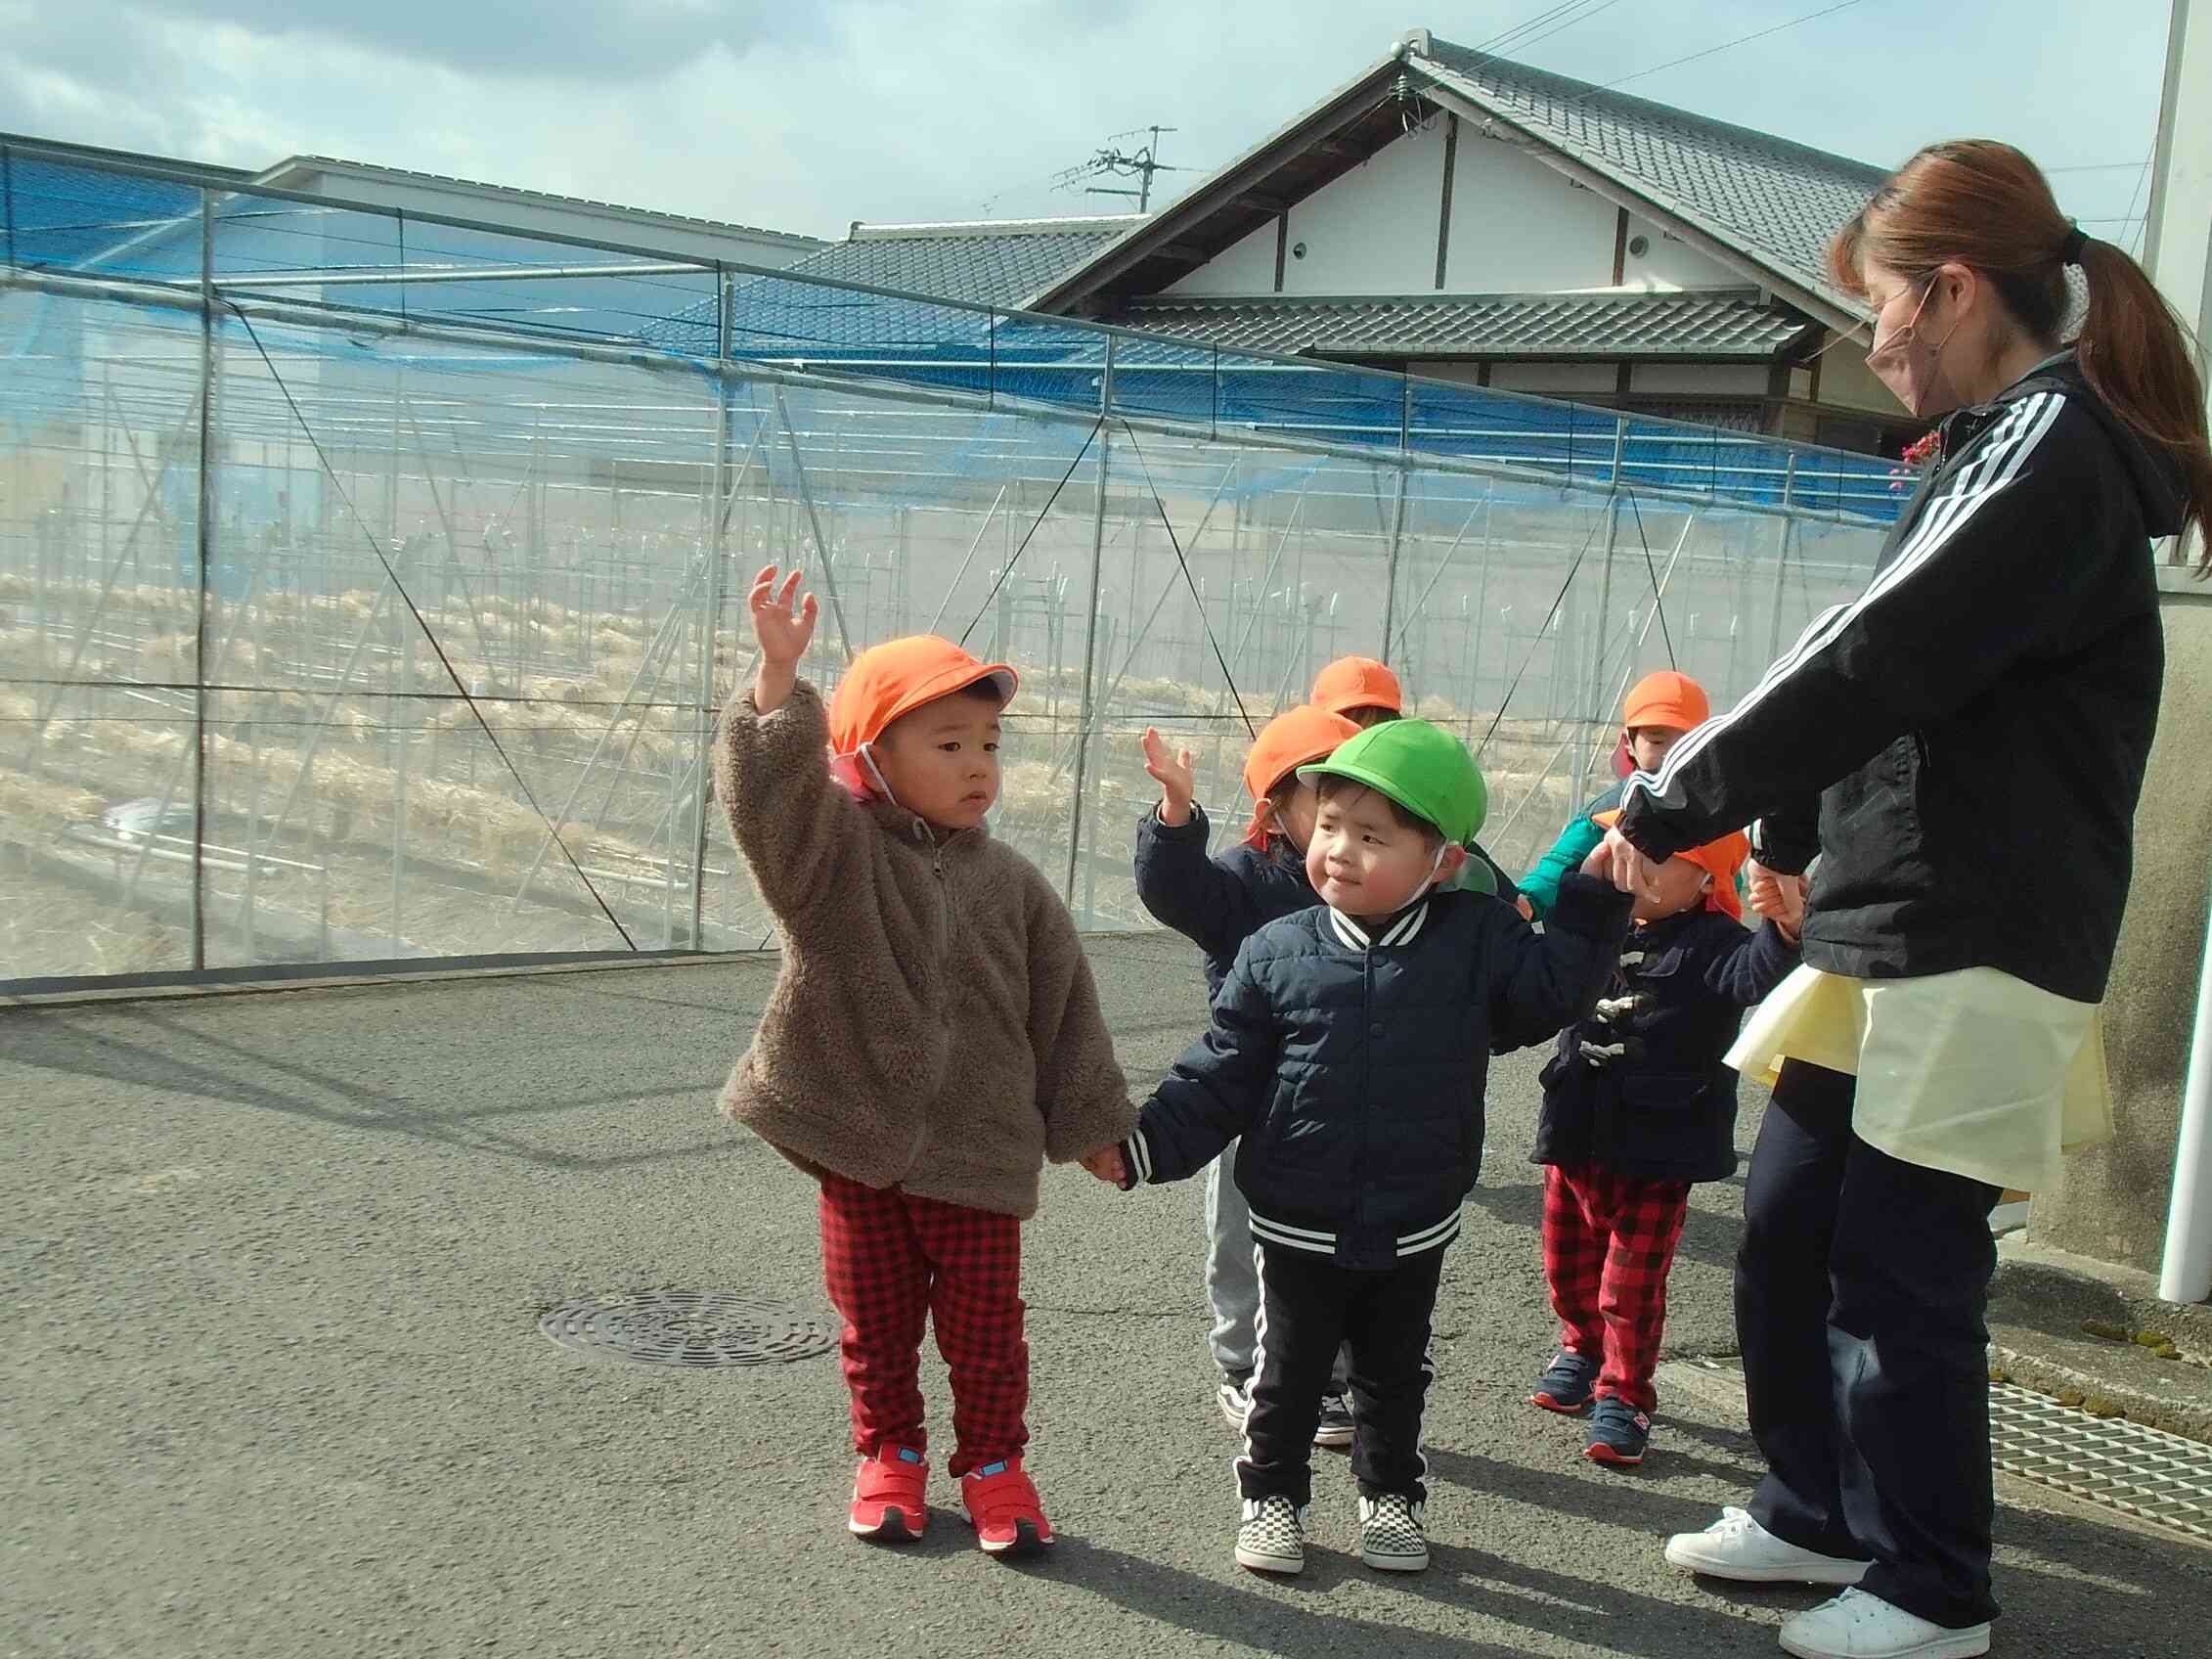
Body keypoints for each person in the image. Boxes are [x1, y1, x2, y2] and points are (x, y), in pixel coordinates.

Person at [1596, 143, 2210, 1659]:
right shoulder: (1996, 442)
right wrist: (1788, 831)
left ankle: (1936, 1587)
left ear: (1946, 292)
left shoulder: (2045, 449)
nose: (1866, 343)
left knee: (1901, 1264)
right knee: (1794, 1223)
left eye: (1876, 308)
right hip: (1886, 922)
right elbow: (1870, 661)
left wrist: (1673, 805)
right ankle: (1814, 1511)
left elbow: (1875, 653)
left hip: (1977, 932)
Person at [1087, 719, 1632, 1577]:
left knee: (1393, 1375)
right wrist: (1144, 1146)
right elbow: (1222, 1071)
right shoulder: (1275, 951)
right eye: (1331, 823)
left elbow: (1549, 996)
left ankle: (1391, 1501)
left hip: (1415, 1215)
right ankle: (1271, 1498)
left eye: (1373, 836)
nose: (1339, 850)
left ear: (1444, 861)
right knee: (1287, 1375)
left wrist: (1598, 902)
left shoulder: (1476, 941)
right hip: (1296, 1216)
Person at [715, 565, 1135, 1558]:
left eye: (988, 743)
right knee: (874, 1320)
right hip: (858, 1141)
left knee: (989, 1330)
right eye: (947, 744)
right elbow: (770, 813)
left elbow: (1064, 1010)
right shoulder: (834, 859)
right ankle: (888, 1454)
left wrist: (1092, 1127)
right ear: (868, 756)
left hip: (980, 1149)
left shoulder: (1015, 886)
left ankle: (995, 1465)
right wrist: (777, 688)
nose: (977, 764)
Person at [1528, 811, 1800, 1468]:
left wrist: (1788, 922)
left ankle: (1625, 1393)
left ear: (1706, 878)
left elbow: (1759, 971)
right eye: (1626, 847)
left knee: (1631, 1285)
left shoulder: (1715, 942)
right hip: (1575, 1129)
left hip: (1658, 1149)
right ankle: (1579, 1349)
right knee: (1567, 1267)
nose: (1635, 864)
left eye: (1658, 856)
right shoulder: (1600, 920)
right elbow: (1554, 931)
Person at [1133, 705, 1363, 1444]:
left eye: (1362, 804)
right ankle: (1242, 1365)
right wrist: (1174, 813)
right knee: (1242, 1237)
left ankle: (1328, 1375)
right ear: (1273, 809)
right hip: (1254, 1097)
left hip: (1346, 1099)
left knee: (1340, 1241)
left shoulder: (1373, 878)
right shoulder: (1244, 877)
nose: (1343, 824)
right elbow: (1175, 889)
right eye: (1324, 805)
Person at [1311, 654, 1526, 907]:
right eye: (1328, 827)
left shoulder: (1429, 833)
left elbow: (1519, 908)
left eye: (1370, 838)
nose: (1361, 745)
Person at [1521, 671, 1710, 921]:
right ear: (1628, 743)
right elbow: (1562, 863)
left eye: (1686, 744)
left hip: (1695, 942)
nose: (1671, 756)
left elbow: (1728, 873)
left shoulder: (1714, 810)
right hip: (1615, 936)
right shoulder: (1608, 809)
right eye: (1656, 741)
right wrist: (1528, 901)